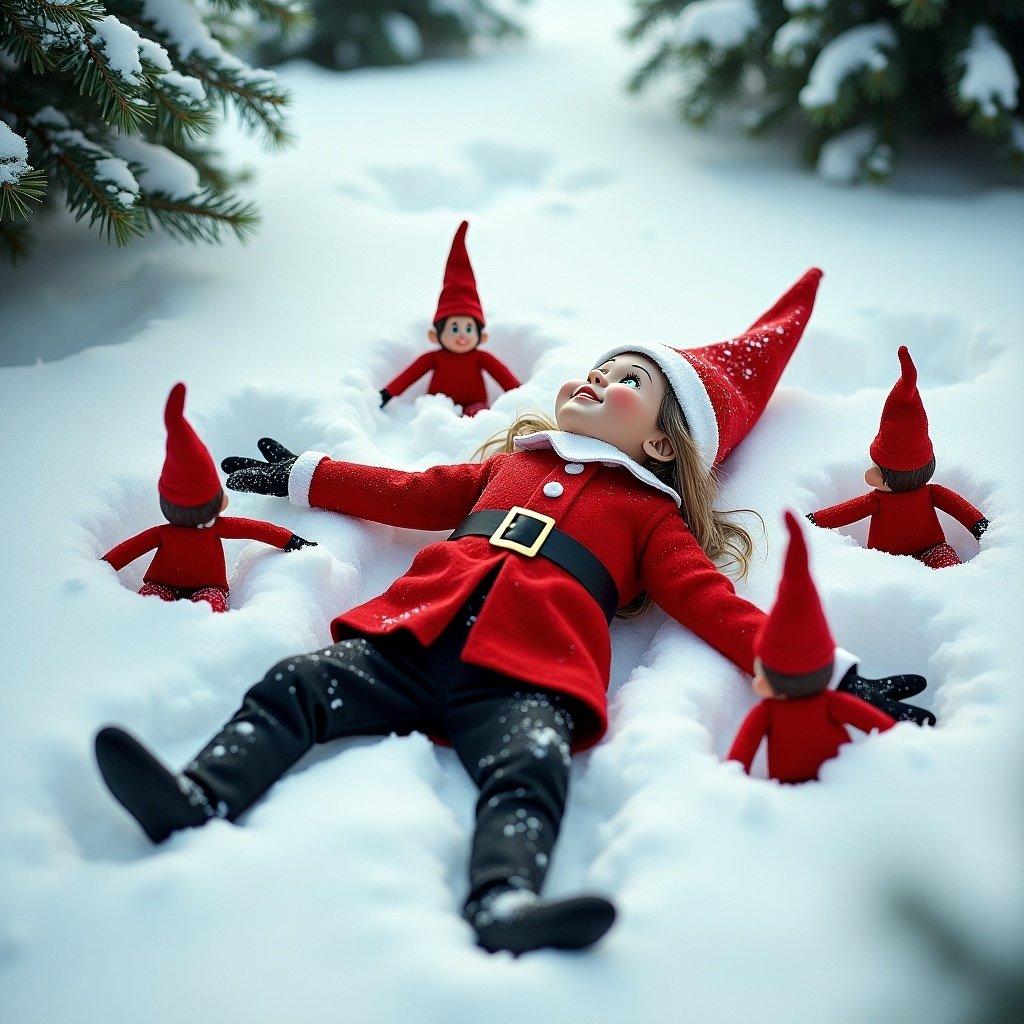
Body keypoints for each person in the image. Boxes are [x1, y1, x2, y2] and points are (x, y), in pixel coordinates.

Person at [95, 269, 930, 955]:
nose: (600, 378)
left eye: (629, 380)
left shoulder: (652, 519)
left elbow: (712, 606)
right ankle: (201, 793)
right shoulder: (510, 466)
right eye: (602, 367)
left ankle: (503, 901)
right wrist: (307, 475)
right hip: (409, 638)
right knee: (296, 685)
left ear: (665, 445)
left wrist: (827, 675)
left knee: (532, 768)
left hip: (524, 678)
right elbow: (413, 492)